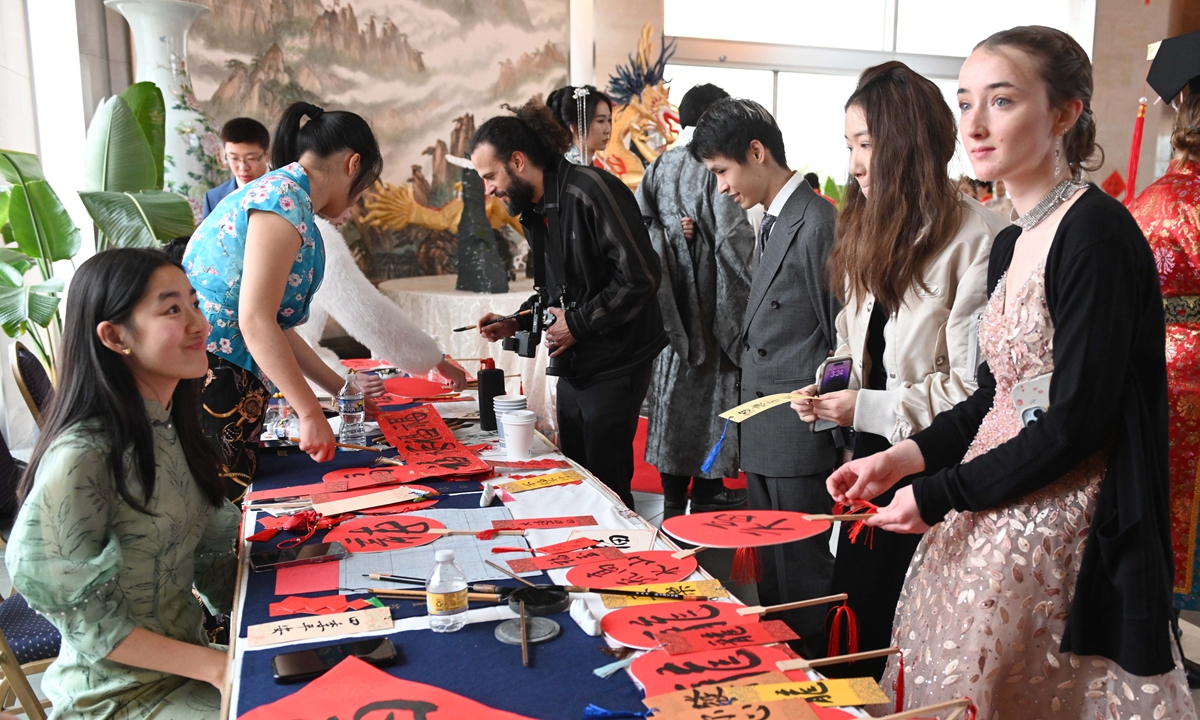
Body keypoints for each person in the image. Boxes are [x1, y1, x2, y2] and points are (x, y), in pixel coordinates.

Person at [828, 26, 1195, 716]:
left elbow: (1078, 419)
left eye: (1001, 101)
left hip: (1062, 517)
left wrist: (940, 494)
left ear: (1064, 113)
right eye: (965, 103)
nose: (974, 125)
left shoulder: (1097, 233)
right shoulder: (1013, 240)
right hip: (990, 499)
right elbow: (991, 398)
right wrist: (902, 460)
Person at [792, 61, 1009, 678]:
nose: (855, 165)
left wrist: (864, 406)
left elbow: (972, 389)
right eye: (849, 147)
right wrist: (831, 385)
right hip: (870, 447)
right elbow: (853, 336)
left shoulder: (978, 238)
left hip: (931, 460)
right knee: (853, 604)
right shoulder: (870, 224)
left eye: (866, 145)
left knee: (906, 626)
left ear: (908, 145)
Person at [6, 248, 240, 719]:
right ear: (114, 337)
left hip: (193, 669)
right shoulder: (83, 455)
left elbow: (214, 564)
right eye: (172, 309)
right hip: (118, 700)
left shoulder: (169, 427)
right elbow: (76, 613)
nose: (199, 324)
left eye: (194, 303)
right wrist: (220, 667)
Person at [689, 98, 840, 657]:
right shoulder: (773, 219)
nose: (722, 188)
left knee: (802, 578)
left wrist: (838, 432)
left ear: (757, 152)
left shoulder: (817, 221)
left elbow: (841, 338)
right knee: (774, 582)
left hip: (799, 434)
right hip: (765, 429)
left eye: (722, 171)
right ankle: (785, 674)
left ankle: (816, 680)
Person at [470, 98, 666, 510]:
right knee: (579, 479)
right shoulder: (535, 209)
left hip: (617, 361)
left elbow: (641, 277)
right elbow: (562, 292)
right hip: (578, 363)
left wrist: (576, 324)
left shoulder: (590, 190)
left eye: (490, 176)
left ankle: (621, 552)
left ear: (518, 161)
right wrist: (516, 321)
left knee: (607, 490)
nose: (488, 189)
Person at [184, 102, 384, 499]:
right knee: (222, 504)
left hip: (225, 372)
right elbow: (256, 321)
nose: (357, 200)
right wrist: (309, 412)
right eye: (363, 187)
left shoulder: (287, 196)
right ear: (353, 164)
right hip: (214, 376)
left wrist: (342, 390)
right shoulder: (282, 201)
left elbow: (274, 324)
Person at [636, 83, 753, 512]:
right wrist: (751, 300)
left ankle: (671, 501)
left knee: (672, 404)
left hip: (671, 314)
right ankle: (706, 495)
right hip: (711, 311)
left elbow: (638, 225)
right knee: (710, 406)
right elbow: (734, 241)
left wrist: (667, 236)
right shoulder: (715, 167)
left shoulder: (659, 165)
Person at [1130, 91, 1200, 687]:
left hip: (1152, 362)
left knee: (1158, 496)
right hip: (1195, 367)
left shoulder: (1146, 200)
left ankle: (1165, 632)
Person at [202, 117, 271, 219]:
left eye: (251, 158)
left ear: (267, 155)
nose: (243, 168)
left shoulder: (286, 188)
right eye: (234, 158)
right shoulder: (214, 199)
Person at [546, 85, 613, 166]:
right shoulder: (569, 168)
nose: (608, 130)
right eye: (600, 121)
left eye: (609, 120)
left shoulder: (581, 165)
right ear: (575, 127)